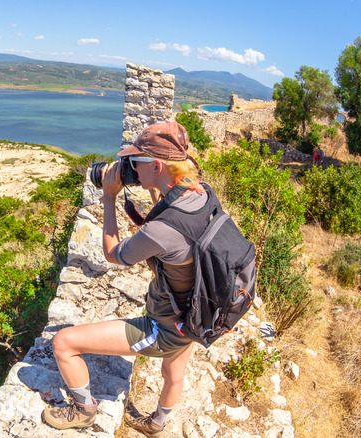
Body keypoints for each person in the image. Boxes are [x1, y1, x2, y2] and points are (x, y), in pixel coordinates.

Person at [42, 122, 207, 436]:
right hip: (197, 315)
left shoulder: (164, 228)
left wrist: (109, 197)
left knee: (63, 343)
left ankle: (85, 410)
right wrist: (150, 184)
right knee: (174, 371)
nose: (132, 169)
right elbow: (165, 210)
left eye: (137, 163)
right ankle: (157, 424)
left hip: (165, 327)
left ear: (157, 165)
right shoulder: (200, 196)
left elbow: (113, 254)